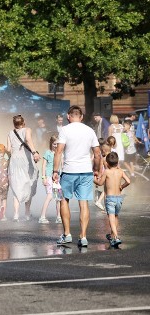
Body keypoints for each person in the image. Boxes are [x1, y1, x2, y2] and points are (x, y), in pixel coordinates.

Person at [53, 106, 101, 248]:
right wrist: (96, 169)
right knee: (84, 202)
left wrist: (55, 171)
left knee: (63, 200)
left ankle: (67, 234)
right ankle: (83, 236)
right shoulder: (89, 131)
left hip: (69, 171)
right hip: (86, 171)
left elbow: (59, 151)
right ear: (81, 117)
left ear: (68, 116)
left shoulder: (64, 130)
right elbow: (97, 153)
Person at [7, 115, 40, 221]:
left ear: (13, 123)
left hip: (14, 159)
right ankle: (27, 212)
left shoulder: (10, 133)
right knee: (29, 182)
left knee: (17, 185)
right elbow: (28, 140)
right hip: (25, 158)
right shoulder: (27, 129)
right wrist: (34, 152)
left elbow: (8, 149)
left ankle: (16, 214)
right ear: (23, 122)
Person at [95, 152, 130, 247]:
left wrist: (93, 179)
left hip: (110, 198)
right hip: (119, 198)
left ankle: (116, 237)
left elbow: (100, 183)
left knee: (111, 217)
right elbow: (128, 181)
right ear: (117, 161)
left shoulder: (107, 172)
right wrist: (122, 186)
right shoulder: (120, 171)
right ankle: (112, 235)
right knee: (116, 216)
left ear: (107, 163)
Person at [38, 135, 61, 224]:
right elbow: (43, 165)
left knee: (58, 198)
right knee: (50, 196)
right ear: (51, 143)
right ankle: (42, 216)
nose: (56, 146)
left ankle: (59, 216)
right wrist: (43, 177)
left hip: (57, 177)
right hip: (49, 176)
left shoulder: (60, 153)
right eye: (54, 144)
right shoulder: (48, 153)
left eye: (57, 144)